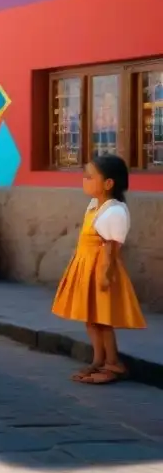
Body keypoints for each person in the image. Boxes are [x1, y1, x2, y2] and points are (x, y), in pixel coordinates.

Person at [52, 155, 146, 385]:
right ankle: (98, 359)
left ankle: (113, 363)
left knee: (103, 319)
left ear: (108, 183)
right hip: (86, 266)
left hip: (102, 269)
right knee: (91, 318)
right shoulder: (95, 205)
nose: (84, 181)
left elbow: (111, 247)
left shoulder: (114, 211)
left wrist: (105, 274)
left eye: (89, 177)